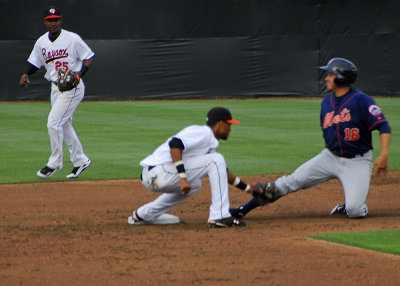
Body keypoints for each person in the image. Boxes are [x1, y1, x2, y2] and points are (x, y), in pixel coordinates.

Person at [230, 58, 391, 219]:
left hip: (357, 161)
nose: (326, 78)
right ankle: (243, 210)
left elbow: (383, 126)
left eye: (330, 74)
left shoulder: (362, 100)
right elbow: (328, 133)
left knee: (354, 211)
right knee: (290, 182)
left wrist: (383, 154)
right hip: (330, 157)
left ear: (341, 77)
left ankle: (353, 205)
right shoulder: (327, 102)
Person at [128, 107, 252, 227]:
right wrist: (182, 178)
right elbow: (175, 143)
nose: (230, 129)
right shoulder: (203, 132)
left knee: (196, 183)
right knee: (216, 160)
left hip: (153, 177)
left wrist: (249, 189)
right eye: (229, 125)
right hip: (160, 172)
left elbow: (222, 171)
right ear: (220, 124)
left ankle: (143, 215)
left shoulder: (210, 143)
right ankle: (219, 216)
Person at [19, 6, 94, 179]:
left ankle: (55, 163)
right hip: (55, 86)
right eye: (50, 20)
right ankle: (80, 160)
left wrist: (79, 74)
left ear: (60, 20)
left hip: (72, 87)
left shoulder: (72, 38)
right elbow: (35, 62)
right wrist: (26, 74)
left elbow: (88, 56)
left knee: (53, 123)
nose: (53, 23)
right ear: (45, 22)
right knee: (64, 125)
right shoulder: (41, 42)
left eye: (56, 20)